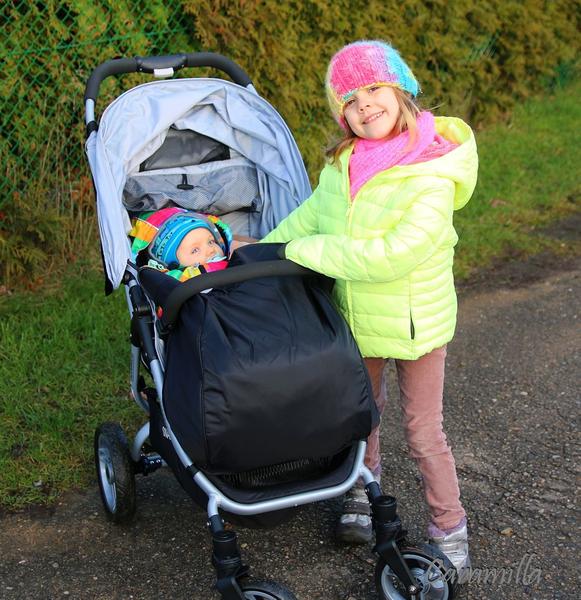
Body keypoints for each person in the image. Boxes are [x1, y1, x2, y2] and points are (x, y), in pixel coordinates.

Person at [261, 40, 478, 575]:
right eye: (350, 100)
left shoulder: (431, 170)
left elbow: (393, 254)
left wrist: (304, 253)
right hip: (358, 321)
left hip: (416, 325)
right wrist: (258, 252)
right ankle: (361, 493)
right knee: (361, 418)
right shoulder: (342, 165)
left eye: (374, 89)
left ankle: (449, 529)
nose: (364, 105)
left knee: (424, 432)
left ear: (401, 91)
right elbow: (306, 221)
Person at [130, 207, 232, 281]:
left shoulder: (233, 256)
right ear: (173, 266)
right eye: (195, 250)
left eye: (211, 242)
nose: (211, 250)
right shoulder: (178, 281)